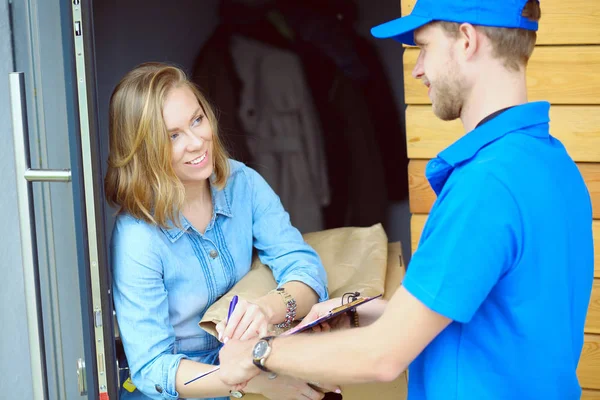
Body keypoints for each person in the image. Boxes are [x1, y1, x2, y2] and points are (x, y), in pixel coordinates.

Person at [217, 0, 595, 399]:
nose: (416, 70)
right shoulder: (553, 163)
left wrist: (259, 353)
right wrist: (354, 314)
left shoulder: (486, 185)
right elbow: (481, 314)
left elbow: (383, 356)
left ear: (466, 40)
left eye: (423, 47)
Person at [105, 62, 338, 400]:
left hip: (255, 359)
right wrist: (248, 379)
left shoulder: (243, 183)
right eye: (172, 136)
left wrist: (266, 309)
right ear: (143, 151)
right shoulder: (137, 237)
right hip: (189, 386)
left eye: (197, 120)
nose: (198, 142)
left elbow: (306, 269)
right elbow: (153, 369)